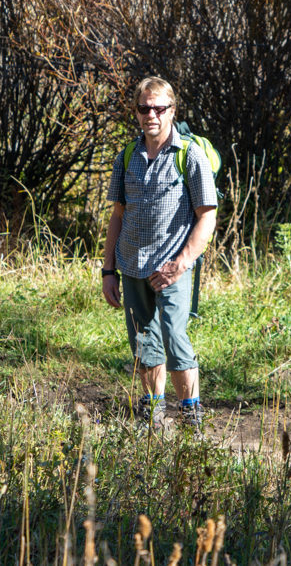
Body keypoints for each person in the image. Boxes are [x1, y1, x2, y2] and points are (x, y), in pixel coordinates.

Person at [102, 76, 218, 429]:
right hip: (132, 266)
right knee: (144, 342)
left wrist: (181, 264)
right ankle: (152, 420)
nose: (150, 114)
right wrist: (108, 271)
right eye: (144, 108)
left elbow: (207, 217)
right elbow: (117, 216)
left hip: (172, 270)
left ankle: (190, 419)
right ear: (136, 112)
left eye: (158, 108)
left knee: (174, 338)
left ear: (172, 111)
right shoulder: (127, 155)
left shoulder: (189, 155)